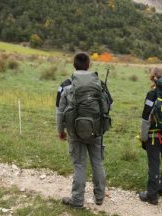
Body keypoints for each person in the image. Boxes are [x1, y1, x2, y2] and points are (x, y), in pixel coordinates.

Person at [56, 52, 112, 207]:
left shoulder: (66, 86)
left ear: (74, 65)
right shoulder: (99, 84)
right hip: (96, 130)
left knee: (80, 165)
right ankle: (100, 197)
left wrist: (61, 130)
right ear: (89, 65)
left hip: (74, 132)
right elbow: (109, 106)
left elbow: (59, 111)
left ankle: (77, 200)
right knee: (97, 162)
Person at [139, 67, 162, 205]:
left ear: (152, 77)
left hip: (154, 134)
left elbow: (146, 116)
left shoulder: (152, 94)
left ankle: (152, 195)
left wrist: (143, 137)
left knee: (154, 163)